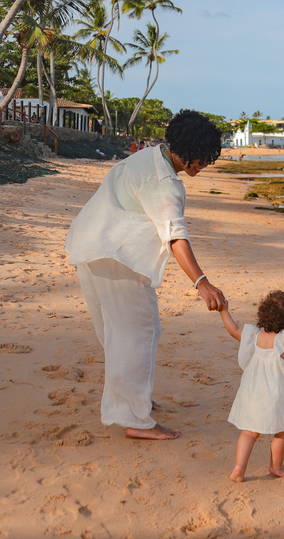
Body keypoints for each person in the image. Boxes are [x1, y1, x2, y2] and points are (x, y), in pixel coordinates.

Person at [65, 109, 226, 441]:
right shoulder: (167, 184)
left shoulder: (146, 157)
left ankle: (134, 401)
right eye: (206, 158)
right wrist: (202, 284)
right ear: (193, 154)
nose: (207, 164)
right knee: (137, 331)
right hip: (114, 253)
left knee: (121, 331)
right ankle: (136, 419)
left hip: (90, 242)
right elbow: (176, 236)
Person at [219, 290, 284, 481]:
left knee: (249, 432)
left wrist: (224, 311)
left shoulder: (253, 335)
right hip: (278, 396)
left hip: (252, 393)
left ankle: (238, 468)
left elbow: (233, 330)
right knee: (281, 432)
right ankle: (276, 466)